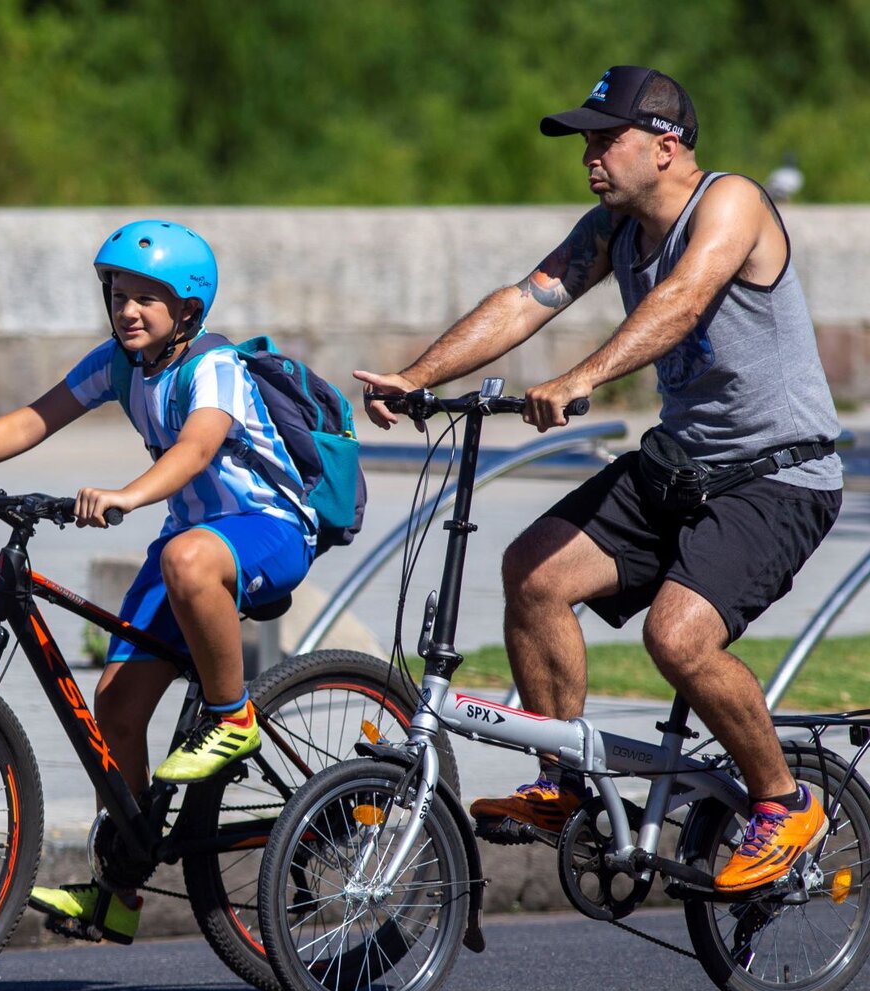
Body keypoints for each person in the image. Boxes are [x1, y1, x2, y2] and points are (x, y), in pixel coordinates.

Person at [355, 66, 842, 893]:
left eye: (604, 137)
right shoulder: (612, 229)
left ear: (665, 144)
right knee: (534, 572)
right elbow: (525, 300)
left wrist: (583, 377)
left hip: (779, 477)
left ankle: (785, 801)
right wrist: (416, 376)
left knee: (678, 637)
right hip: (683, 466)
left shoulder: (731, 204)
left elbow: (685, 300)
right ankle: (568, 784)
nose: (590, 155)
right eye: (584, 139)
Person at [0, 219, 316, 940]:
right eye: (119, 293)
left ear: (188, 310)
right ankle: (119, 890)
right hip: (190, 536)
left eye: (148, 298)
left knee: (185, 558)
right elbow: (35, 418)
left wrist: (127, 495)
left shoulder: (212, 365)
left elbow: (196, 446)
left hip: (267, 528)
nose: (128, 309)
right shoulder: (120, 363)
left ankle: (233, 716)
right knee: (115, 706)